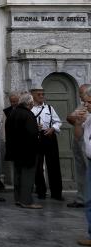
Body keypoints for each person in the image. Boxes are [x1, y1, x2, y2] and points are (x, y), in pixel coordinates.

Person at [5, 93, 42, 209]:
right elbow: (31, 134)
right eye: (32, 103)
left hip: (15, 151)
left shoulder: (12, 113)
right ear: (30, 103)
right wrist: (37, 129)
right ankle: (26, 201)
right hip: (27, 151)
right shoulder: (28, 114)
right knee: (27, 177)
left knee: (18, 175)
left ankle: (18, 199)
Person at [30, 85, 63, 200]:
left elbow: (58, 122)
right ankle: (41, 191)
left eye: (43, 94)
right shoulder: (30, 109)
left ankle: (57, 193)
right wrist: (35, 127)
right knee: (37, 165)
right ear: (32, 95)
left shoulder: (49, 108)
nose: (41, 96)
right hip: (36, 138)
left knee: (53, 164)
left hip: (49, 137)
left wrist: (52, 128)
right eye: (38, 94)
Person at [66, 84, 90, 208]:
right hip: (80, 141)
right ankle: (82, 198)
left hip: (87, 144)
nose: (80, 96)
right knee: (81, 171)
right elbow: (69, 117)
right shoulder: (83, 105)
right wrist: (76, 120)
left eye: (81, 93)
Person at [73, 86, 91, 246]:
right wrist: (78, 123)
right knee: (89, 199)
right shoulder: (88, 117)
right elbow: (78, 135)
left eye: (88, 102)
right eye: (85, 102)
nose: (86, 106)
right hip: (89, 161)